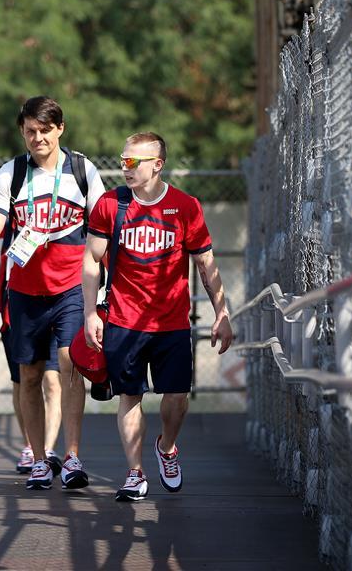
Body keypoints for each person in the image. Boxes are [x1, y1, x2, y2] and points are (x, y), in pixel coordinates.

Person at [82, 132, 234, 502]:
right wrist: (90, 312)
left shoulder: (185, 206)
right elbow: (91, 259)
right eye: (123, 160)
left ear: (158, 164)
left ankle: (167, 447)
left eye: (134, 162)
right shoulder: (109, 204)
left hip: (172, 322)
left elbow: (206, 263)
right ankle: (135, 473)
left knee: (177, 399)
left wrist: (222, 311)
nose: (125, 168)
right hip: (123, 319)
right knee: (129, 397)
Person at [0, 96, 105, 490]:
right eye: (30, 131)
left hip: (71, 289)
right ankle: (37, 458)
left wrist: (102, 293)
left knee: (68, 367)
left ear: (60, 128)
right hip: (26, 292)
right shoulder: (11, 174)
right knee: (29, 376)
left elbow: (103, 231)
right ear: (22, 132)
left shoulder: (82, 170)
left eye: (45, 130)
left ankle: (72, 457)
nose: (37, 138)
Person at [0, 252, 62, 474]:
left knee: (53, 380)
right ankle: (31, 446)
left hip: (57, 301)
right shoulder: (3, 222)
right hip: (18, 312)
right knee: (23, 380)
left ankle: (48, 448)